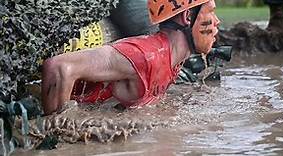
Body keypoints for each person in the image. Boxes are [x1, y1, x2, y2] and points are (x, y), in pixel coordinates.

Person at [41, 0, 220, 115]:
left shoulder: (174, 58)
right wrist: (58, 135)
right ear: (188, 16)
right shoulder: (144, 55)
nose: (217, 21)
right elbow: (57, 67)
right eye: (211, 12)